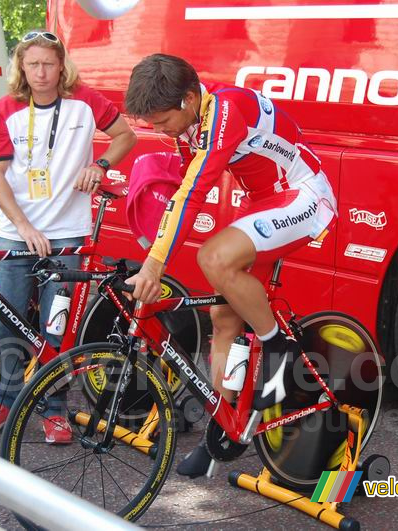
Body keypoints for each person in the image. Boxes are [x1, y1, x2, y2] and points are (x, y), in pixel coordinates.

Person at [124, 54, 337, 476]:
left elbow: (194, 191)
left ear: (188, 99)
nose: (157, 130)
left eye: (161, 120)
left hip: (304, 194)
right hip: (265, 203)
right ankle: (221, 430)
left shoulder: (225, 109)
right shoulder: (191, 120)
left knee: (214, 257)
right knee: (222, 315)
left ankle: (280, 348)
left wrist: (153, 265)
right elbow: (182, 185)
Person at [0, 30, 137, 443]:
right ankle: (6, 397)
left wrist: (101, 164)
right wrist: (24, 227)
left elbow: (126, 135)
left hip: (68, 234)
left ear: (62, 65)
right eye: (32, 64)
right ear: (22, 67)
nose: (41, 72)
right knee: (5, 322)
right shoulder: (7, 108)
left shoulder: (85, 100)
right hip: (16, 234)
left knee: (58, 328)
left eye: (48, 63)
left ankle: (55, 410)